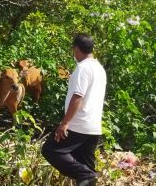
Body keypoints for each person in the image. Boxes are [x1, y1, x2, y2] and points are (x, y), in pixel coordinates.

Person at [41, 33, 107, 186]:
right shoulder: (99, 69)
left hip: (78, 125)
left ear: (76, 48)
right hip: (93, 127)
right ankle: (87, 175)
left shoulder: (83, 68)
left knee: (50, 150)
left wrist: (64, 123)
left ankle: (87, 175)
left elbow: (78, 97)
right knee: (85, 169)